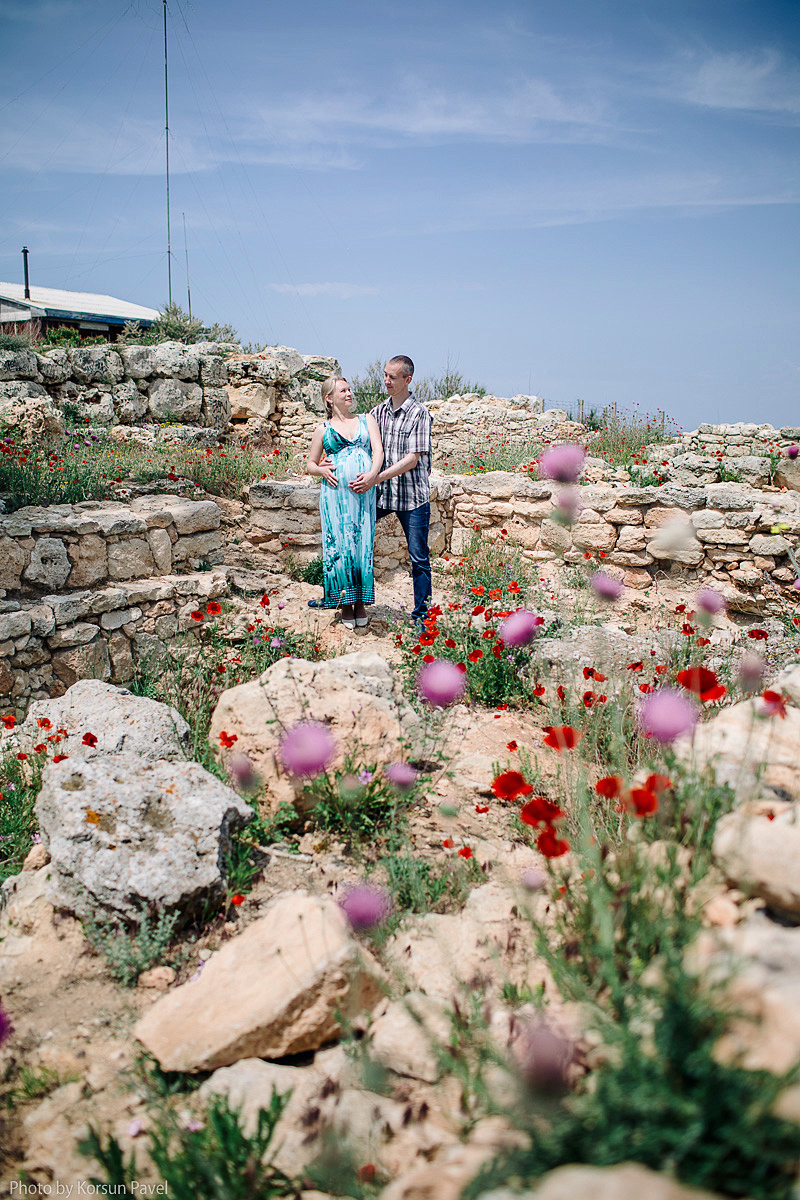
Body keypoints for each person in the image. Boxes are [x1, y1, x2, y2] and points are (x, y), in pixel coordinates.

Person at [359, 355, 433, 623]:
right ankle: (347, 602)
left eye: (392, 377)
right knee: (355, 539)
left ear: (407, 380)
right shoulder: (377, 412)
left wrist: (374, 478)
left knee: (419, 559)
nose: (386, 381)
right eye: (385, 375)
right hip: (382, 495)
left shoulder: (419, 414)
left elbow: (412, 460)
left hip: (411, 498)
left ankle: (422, 618)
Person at [306, 376, 384, 628]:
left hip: (363, 493)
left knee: (362, 543)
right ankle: (346, 604)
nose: (349, 393)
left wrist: (372, 475)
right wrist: (320, 470)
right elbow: (310, 463)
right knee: (339, 546)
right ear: (329, 398)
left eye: (350, 389)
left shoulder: (366, 420)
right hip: (334, 496)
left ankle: (361, 602)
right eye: (343, 390)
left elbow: (379, 452)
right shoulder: (323, 429)